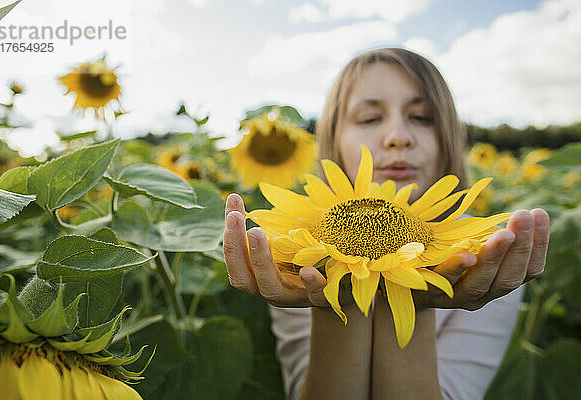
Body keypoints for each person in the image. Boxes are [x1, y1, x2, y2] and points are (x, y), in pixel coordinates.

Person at [222, 48, 550, 400]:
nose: (398, 136)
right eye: (369, 118)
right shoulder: (300, 248)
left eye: (422, 117)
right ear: (333, 139)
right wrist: (336, 298)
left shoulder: (482, 253)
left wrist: (415, 297)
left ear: (449, 136)